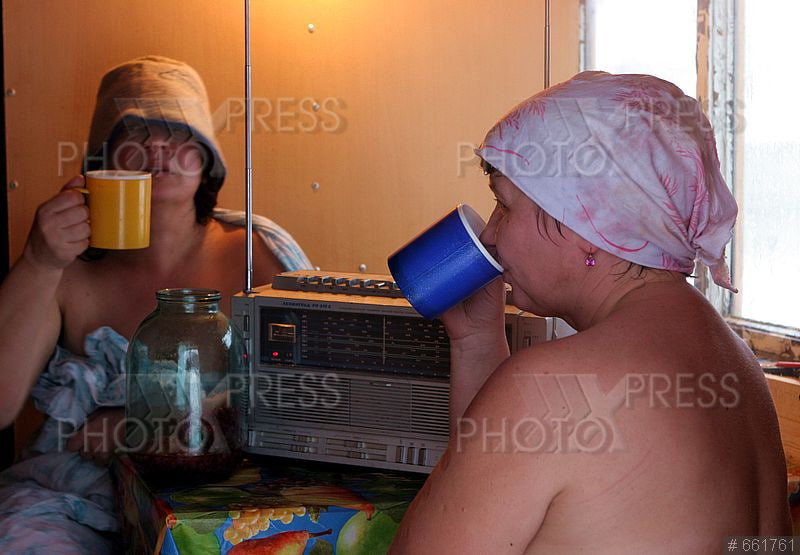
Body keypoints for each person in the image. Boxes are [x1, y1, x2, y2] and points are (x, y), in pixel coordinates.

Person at [391, 71, 791, 553]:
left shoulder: (551, 391)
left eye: (504, 205)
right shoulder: (739, 366)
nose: (491, 234)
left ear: (587, 221)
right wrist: (476, 342)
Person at [0, 56, 310, 552]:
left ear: (207, 158)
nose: (157, 147)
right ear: (101, 162)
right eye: (134, 132)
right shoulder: (63, 267)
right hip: (70, 499)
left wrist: (144, 425)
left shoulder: (256, 252)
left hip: (226, 491)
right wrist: (38, 261)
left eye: (179, 132)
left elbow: (313, 384)